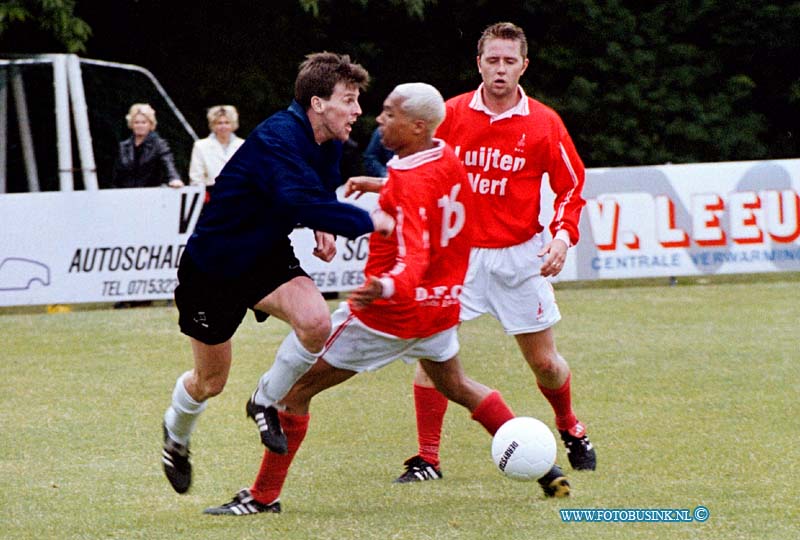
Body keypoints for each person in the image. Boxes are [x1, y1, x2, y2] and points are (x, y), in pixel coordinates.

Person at [203, 82, 570, 516]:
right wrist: (380, 185)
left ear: (417, 126)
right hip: (438, 310)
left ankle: (263, 496)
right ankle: (546, 469)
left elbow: (411, 257)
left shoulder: (409, 180)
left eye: (389, 113)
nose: (379, 119)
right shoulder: (445, 159)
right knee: (458, 386)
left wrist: (384, 287)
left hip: (386, 317)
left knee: (293, 394)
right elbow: (434, 203)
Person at [349, 22, 596, 482]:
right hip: (457, 258)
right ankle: (427, 458)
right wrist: (383, 183)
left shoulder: (544, 122)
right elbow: (423, 174)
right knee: (433, 350)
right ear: (478, 63)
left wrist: (562, 237)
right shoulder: (450, 114)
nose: (500, 69)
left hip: (520, 257)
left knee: (543, 362)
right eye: (492, 60)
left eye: (509, 61)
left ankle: (569, 425)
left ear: (523, 66)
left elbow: (571, 187)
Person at [160, 52, 395, 495]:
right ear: (318, 102)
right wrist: (369, 222)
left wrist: (325, 224)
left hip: (266, 256)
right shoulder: (278, 137)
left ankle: (265, 400)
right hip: (214, 266)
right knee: (209, 382)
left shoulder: (329, 142)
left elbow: (316, 193)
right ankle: (176, 435)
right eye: (349, 99)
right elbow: (296, 200)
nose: (358, 111)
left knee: (315, 322)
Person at [112, 103, 184, 189]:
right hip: (126, 194)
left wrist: (174, 179)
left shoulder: (159, 145)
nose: (140, 125)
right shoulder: (123, 146)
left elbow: (168, 163)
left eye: (144, 122)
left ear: (151, 124)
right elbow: (117, 176)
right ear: (131, 124)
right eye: (136, 122)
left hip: (151, 194)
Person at [188, 104, 245, 199]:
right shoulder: (201, 146)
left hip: (239, 196)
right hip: (212, 197)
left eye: (227, 122)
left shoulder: (243, 145)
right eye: (219, 123)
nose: (223, 126)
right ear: (213, 125)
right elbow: (196, 178)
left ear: (233, 124)